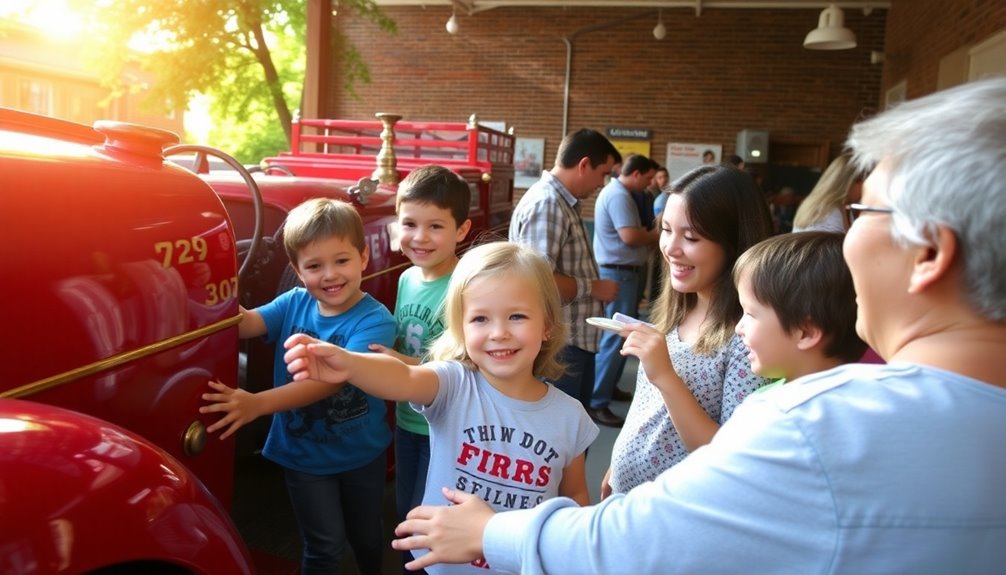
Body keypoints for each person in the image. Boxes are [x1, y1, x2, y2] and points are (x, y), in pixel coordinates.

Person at [386, 77, 1006, 574]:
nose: (845, 237)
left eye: (864, 209)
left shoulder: (814, 423)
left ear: (929, 253)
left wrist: (493, 531)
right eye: (667, 231)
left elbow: (634, 545)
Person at [283, 241, 599, 574]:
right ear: (460, 328)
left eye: (517, 316)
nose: (499, 333)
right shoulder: (454, 385)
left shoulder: (571, 416)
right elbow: (403, 376)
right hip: (443, 566)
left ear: (547, 325)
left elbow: (574, 495)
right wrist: (351, 364)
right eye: (480, 319)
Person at [202, 198, 396, 575]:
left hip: (361, 452)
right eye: (314, 266)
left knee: (366, 535)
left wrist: (256, 404)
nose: (330, 275)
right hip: (303, 454)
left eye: (341, 261)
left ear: (363, 256)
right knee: (322, 545)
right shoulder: (294, 301)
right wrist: (212, 288)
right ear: (296, 270)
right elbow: (246, 323)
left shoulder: (375, 321)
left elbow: (328, 382)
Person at [600, 164, 773, 495]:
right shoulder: (679, 309)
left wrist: (665, 375)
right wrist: (619, 461)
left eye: (691, 237)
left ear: (733, 243)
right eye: (666, 229)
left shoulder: (746, 337)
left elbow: (726, 454)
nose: (671, 248)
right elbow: (650, 408)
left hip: (676, 517)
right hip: (628, 502)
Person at [367, 165, 472, 572]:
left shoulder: (465, 286)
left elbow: (464, 365)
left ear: (461, 231)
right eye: (410, 223)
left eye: (435, 226)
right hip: (407, 420)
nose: (420, 237)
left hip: (444, 425)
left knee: (428, 520)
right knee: (405, 511)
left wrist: (400, 364)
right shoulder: (408, 277)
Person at [509, 128, 621, 412]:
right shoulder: (548, 203)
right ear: (584, 165)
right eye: (603, 173)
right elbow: (537, 280)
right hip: (561, 345)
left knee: (574, 434)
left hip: (571, 341)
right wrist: (594, 287)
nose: (602, 183)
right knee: (561, 441)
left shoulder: (561, 202)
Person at [733, 231, 866, 390]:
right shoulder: (872, 400)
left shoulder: (767, 409)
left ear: (806, 332)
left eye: (750, 314)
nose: (738, 328)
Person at [589, 153, 659, 426]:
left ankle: (608, 388)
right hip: (619, 272)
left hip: (625, 272)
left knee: (621, 336)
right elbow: (630, 236)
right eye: (649, 177)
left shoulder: (622, 194)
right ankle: (597, 401)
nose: (650, 183)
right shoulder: (618, 195)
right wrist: (659, 234)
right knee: (615, 337)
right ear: (637, 174)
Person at [792, 152, 862, 233]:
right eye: (864, 182)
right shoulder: (830, 212)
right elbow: (841, 244)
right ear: (851, 182)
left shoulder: (834, 205)